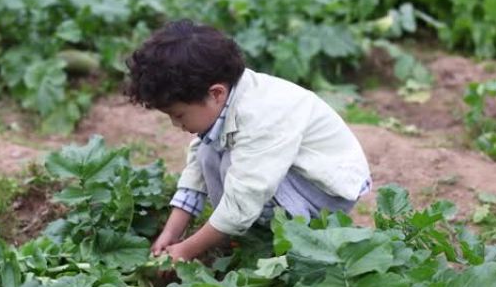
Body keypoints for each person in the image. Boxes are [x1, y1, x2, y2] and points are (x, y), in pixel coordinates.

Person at [124, 19, 372, 261]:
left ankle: (264, 237)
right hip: (293, 175)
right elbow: (197, 170)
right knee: (207, 154)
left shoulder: (262, 117)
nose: (177, 125)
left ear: (216, 93)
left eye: (178, 115)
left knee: (231, 166)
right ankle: (230, 231)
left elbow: (246, 195)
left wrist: (186, 250)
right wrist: (171, 233)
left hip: (324, 193)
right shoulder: (227, 101)